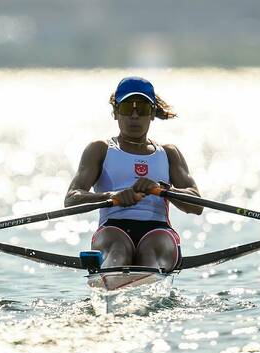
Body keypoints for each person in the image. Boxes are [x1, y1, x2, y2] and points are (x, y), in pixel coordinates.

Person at [65, 76, 203, 271]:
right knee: (118, 249)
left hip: (158, 230)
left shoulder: (169, 153)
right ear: (115, 112)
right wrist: (111, 196)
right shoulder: (100, 149)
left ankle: (140, 280)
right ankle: (118, 278)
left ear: (152, 113)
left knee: (151, 252)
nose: (135, 116)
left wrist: (163, 190)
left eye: (143, 109)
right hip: (113, 228)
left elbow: (196, 205)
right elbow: (71, 199)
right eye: (128, 108)